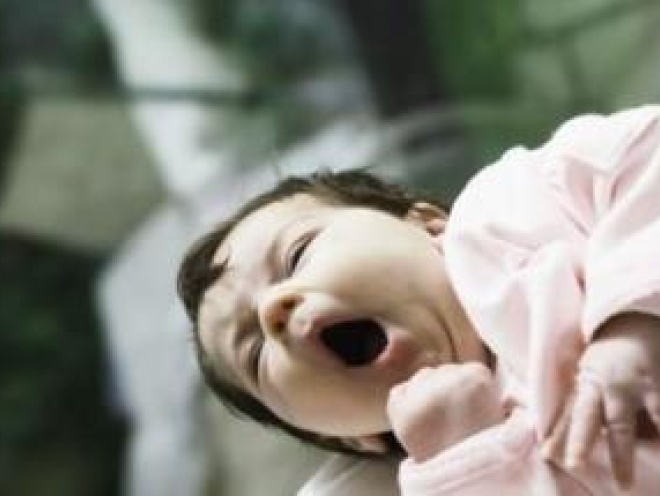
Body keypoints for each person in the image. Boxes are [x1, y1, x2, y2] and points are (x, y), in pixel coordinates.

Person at [177, 105, 660, 494]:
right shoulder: (434, 477)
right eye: (256, 354)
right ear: (350, 439)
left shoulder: (506, 213)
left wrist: (629, 323)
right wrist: (468, 460)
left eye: (297, 254)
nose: (273, 312)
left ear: (426, 224)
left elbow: (647, 151)